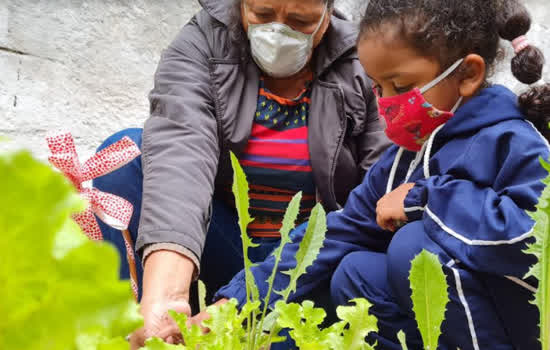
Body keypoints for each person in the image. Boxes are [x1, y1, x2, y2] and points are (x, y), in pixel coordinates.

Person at [211, 0, 550, 349]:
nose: (386, 103)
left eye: (400, 87)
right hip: (464, 318)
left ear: (467, 75)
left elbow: (533, 239)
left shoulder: (513, 141)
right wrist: (235, 303)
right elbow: (334, 236)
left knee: (413, 248)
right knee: (355, 273)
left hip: (524, 321)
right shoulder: (405, 159)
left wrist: (424, 199)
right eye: (378, 88)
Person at [92, 0, 390, 347]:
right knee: (125, 153)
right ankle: (147, 323)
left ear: (327, 15)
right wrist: (168, 294)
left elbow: (381, 186)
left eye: (300, 20)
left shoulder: (365, 58)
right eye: (262, 15)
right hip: (224, 247)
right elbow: (181, 150)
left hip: (308, 263)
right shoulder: (203, 41)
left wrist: (251, 295)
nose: (278, 31)